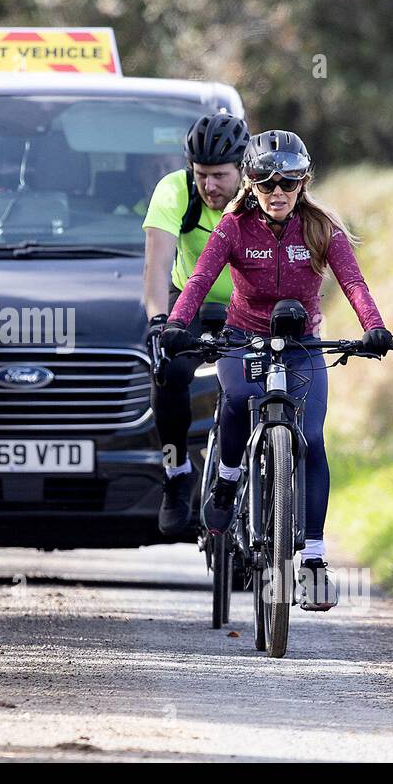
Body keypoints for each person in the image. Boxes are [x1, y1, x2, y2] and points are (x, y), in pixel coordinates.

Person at [159, 130, 393, 609]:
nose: (277, 192)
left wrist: (374, 327)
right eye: (266, 183)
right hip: (243, 338)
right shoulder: (233, 226)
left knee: (310, 439)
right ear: (251, 183)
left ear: (303, 182)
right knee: (239, 402)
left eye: (288, 182)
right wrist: (177, 324)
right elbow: (201, 279)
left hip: (303, 344)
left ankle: (311, 561)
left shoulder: (321, 227)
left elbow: (354, 283)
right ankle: (226, 483)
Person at [141, 111, 251, 536]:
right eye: (201, 174)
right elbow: (156, 268)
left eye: (220, 176)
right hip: (190, 301)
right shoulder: (175, 192)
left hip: (251, 306)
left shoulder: (263, 194)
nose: (209, 186)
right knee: (168, 371)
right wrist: (157, 320)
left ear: (242, 170)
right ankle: (176, 472)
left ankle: (267, 474)